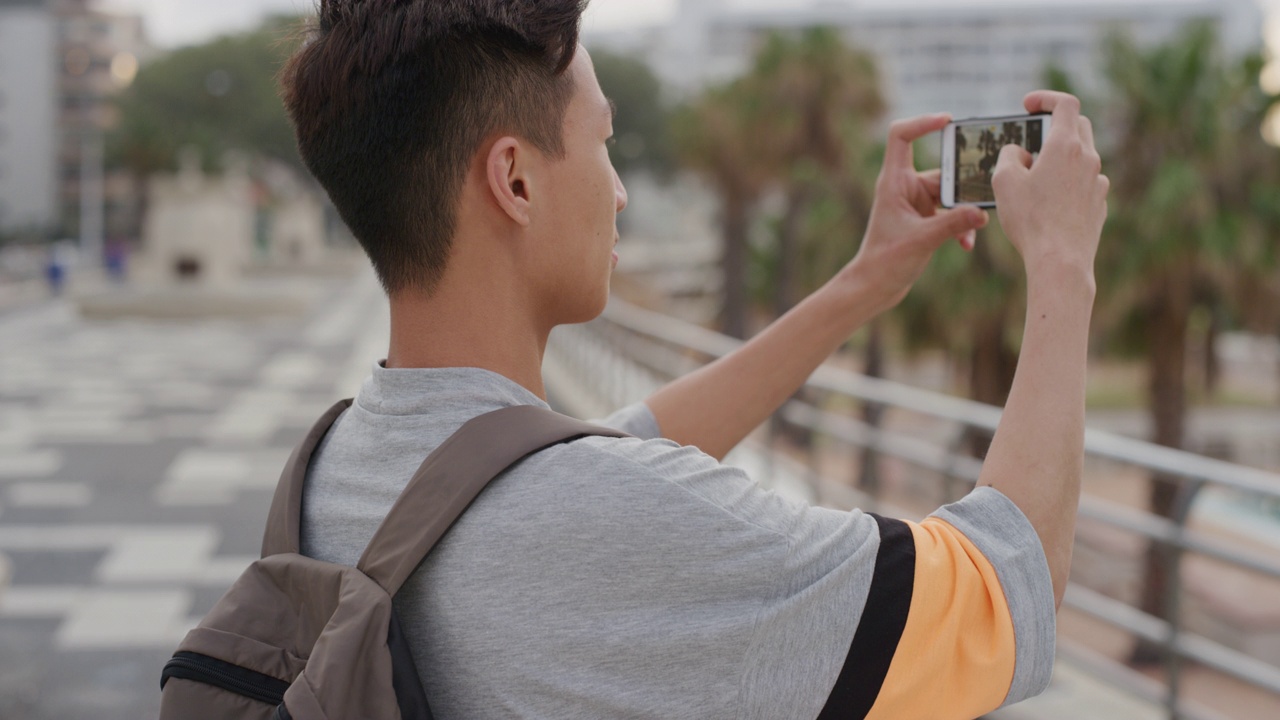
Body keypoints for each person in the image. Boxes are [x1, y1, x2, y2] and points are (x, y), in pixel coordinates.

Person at [281, 2, 1108, 718]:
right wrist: (1065, 265)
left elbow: (617, 452)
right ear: (516, 182)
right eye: (605, 141)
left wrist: (864, 282)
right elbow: (1000, 587)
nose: (619, 191)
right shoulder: (615, 523)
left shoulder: (335, 465)